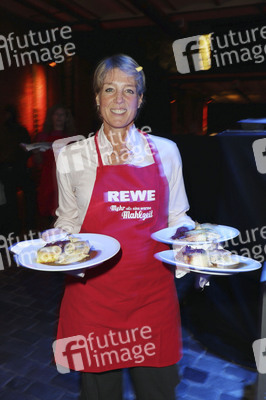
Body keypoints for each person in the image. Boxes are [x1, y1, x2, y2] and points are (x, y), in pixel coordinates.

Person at [49, 54, 195, 400]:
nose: (118, 99)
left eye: (128, 90)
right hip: (93, 301)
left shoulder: (167, 152)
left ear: (140, 100)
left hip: (152, 300)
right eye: (109, 89)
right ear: (97, 98)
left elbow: (178, 216)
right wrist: (59, 237)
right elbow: (68, 218)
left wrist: (193, 239)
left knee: (158, 394)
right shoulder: (71, 156)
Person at [33, 104, 75, 224]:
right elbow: (38, 162)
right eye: (56, 114)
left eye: (62, 114)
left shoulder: (72, 138)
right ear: (51, 117)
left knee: (63, 216)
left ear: (67, 118)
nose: (59, 117)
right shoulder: (43, 136)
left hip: (65, 180)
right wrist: (36, 152)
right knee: (48, 216)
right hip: (48, 179)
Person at [0, 104, 36, 234]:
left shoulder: (19, 130)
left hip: (17, 168)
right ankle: (19, 227)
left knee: (24, 198)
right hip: (8, 169)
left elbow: (27, 149)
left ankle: (26, 225)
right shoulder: (6, 131)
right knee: (12, 202)